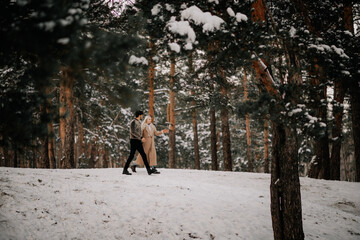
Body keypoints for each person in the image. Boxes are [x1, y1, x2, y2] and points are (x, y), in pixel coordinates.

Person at [123, 110, 156, 175]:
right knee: (131, 155)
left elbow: (138, 132)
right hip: (134, 141)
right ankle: (125, 170)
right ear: (139, 115)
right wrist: (141, 137)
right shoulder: (133, 122)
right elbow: (133, 132)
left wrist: (141, 138)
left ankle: (148, 170)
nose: (142, 116)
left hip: (138, 141)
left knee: (143, 155)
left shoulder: (139, 122)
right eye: (142, 115)